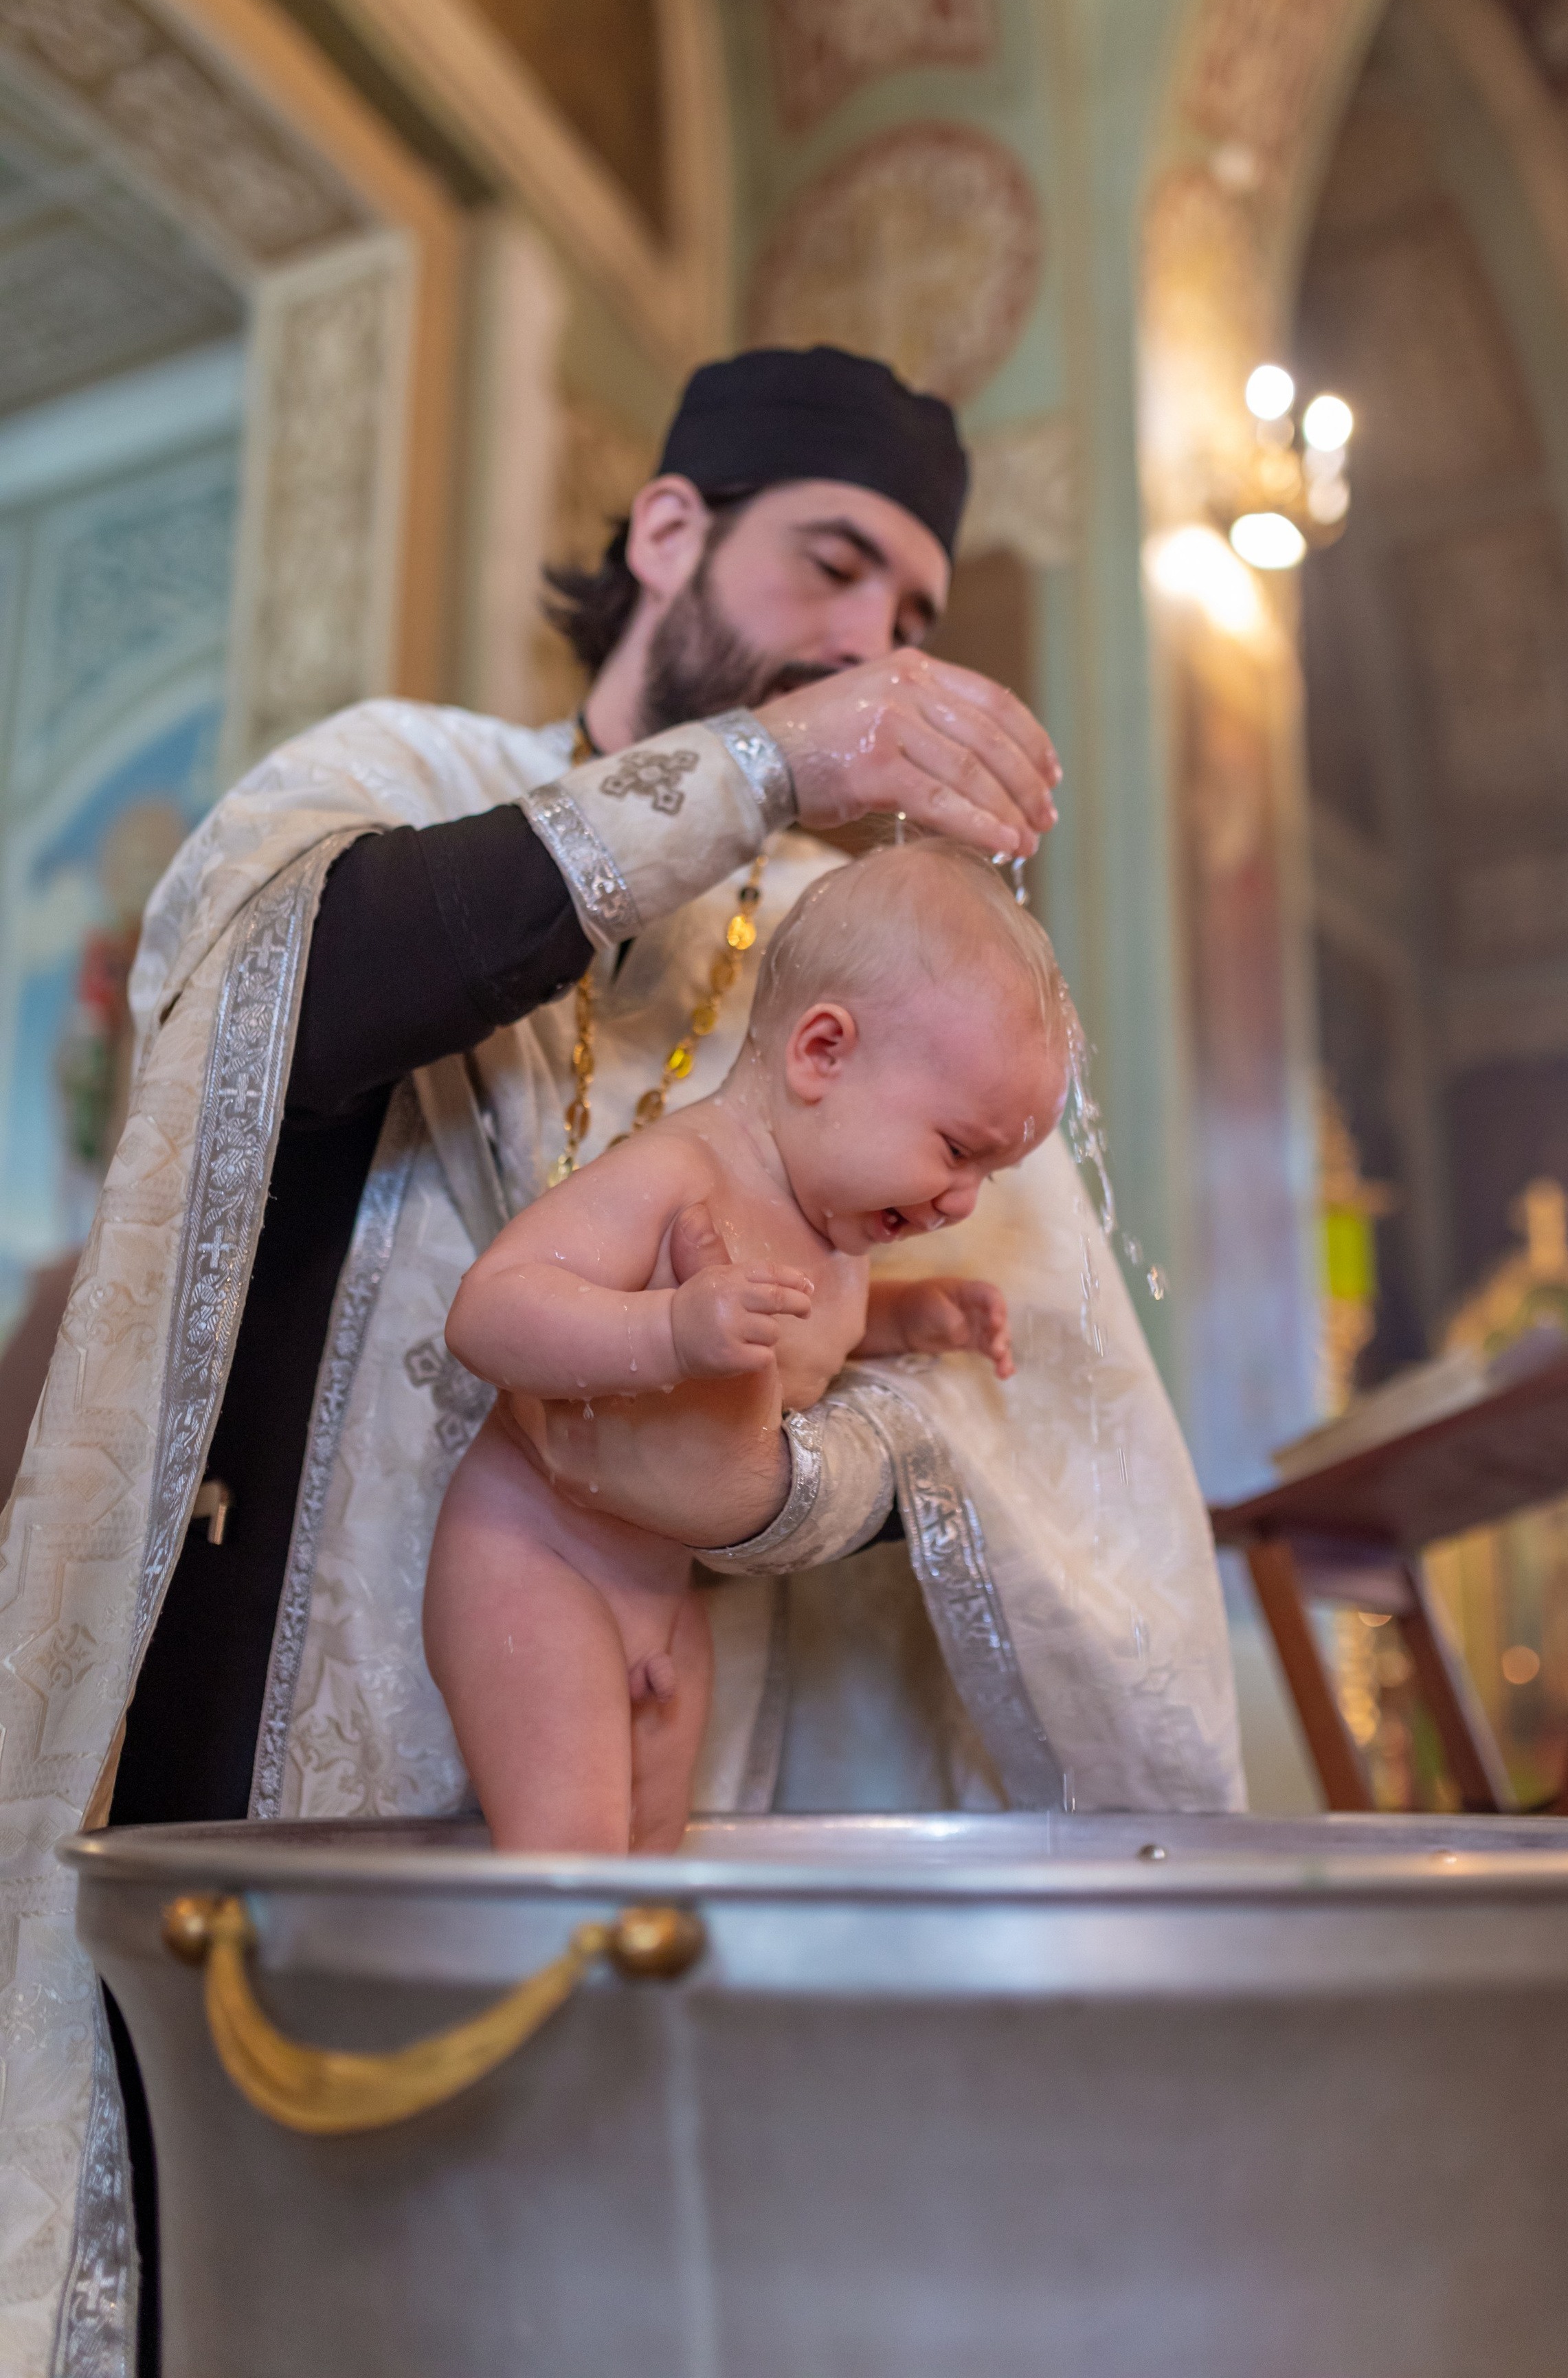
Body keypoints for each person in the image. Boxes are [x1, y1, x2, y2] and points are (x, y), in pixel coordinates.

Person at [0, 345, 1242, 2377]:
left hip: (669, 1791)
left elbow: (1000, 1430)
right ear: (669, 534)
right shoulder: (402, 778)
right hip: (281, 1819)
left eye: (919, 620)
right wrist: (759, 771)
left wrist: (776, 1490)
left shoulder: (884, 981)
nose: (876, 645)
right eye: (833, 567)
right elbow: (273, 1021)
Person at [428, 842, 1067, 1852]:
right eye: (957, 1151)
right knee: (570, 1867)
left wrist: (911, 1317)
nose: (961, 1202)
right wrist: (669, 1330)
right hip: (535, 1561)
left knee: (652, 1870)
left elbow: (804, 1335)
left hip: (662, 1590)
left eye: (989, 1175)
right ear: (822, 1052)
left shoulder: (840, 1219)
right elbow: (489, 1314)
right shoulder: (680, 1171)